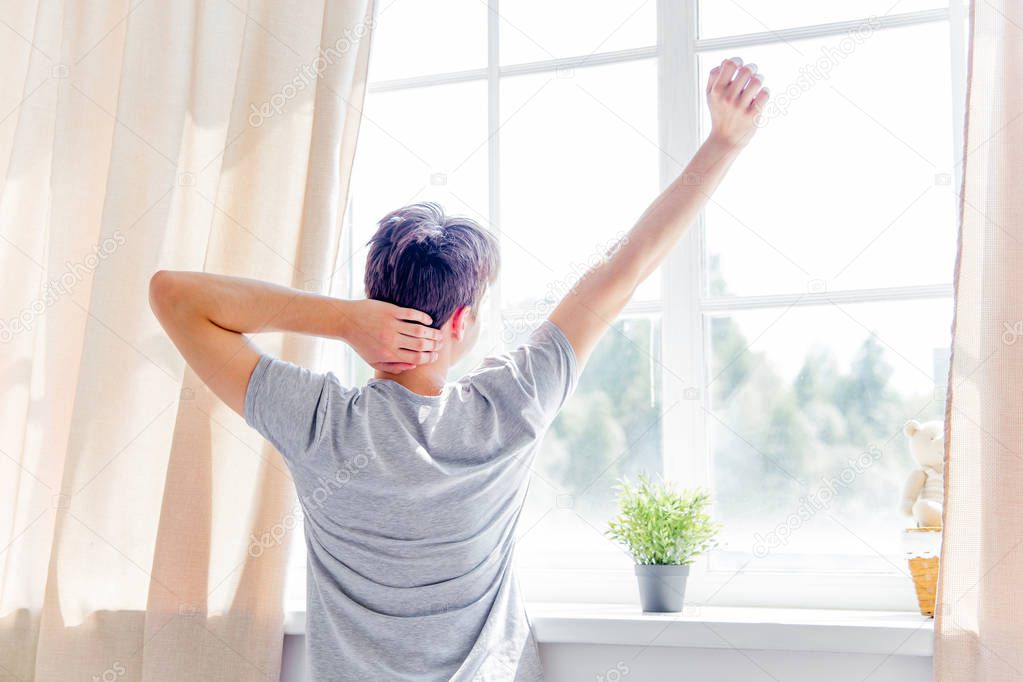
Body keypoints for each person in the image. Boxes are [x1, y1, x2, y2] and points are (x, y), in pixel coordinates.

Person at [149, 58, 768, 681]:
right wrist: (723, 142)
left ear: (373, 297)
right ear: (459, 323)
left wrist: (342, 321)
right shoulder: (513, 405)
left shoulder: (318, 423)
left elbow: (174, 295)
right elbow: (624, 271)